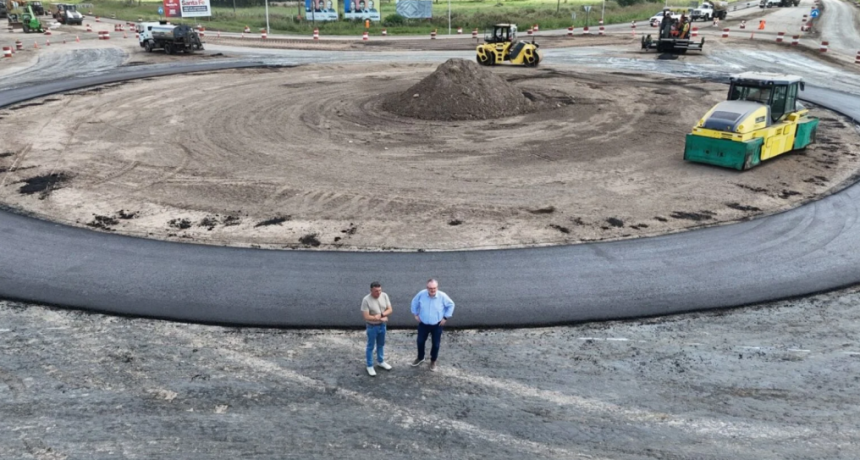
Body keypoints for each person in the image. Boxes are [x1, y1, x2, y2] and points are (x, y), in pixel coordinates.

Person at [410, 279, 455, 372]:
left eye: (434, 288)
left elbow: (451, 305)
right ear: (427, 288)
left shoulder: (442, 296)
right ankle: (420, 357)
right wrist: (415, 314)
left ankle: (433, 360)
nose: (432, 290)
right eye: (430, 288)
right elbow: (414, 302)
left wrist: (445, 317)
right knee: (420, 341)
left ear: (437, 287)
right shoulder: (421, 294)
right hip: (423, 324)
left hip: (437, 325)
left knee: (436, 344)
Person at [361, 281, 393, 377]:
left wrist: (382, 315)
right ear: (371, 290)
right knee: (370, 346)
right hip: (372, 326)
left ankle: (380, 361)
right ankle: (370, 365)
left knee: (381, 344)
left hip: (382, 325)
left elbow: (390, 309)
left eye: (379, 290)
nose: (378, 293)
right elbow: (366, 316)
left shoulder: (384, 296)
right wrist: (378, 317)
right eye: (376, 291)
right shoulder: (366, 300)